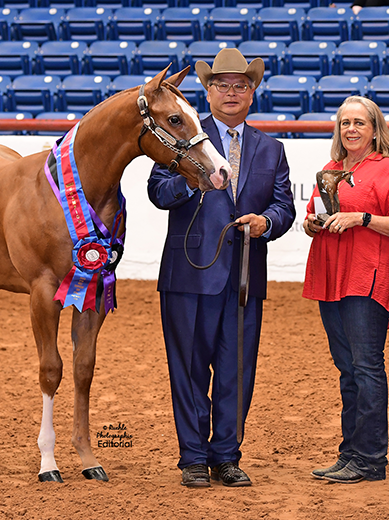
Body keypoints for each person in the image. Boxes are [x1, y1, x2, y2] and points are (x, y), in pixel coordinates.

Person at [147, 48, 295, 489]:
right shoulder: (182, 134)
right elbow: (158, 192)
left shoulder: (272, 149)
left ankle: (226, 456)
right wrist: (193, 177)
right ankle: (193, 457)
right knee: (188, 368)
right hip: (189, 271)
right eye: (222, 85)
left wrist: (266, 221)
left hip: (245, 274)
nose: (232, 93)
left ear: (253, 93)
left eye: (241, 85)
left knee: (237, 369)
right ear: (207, 91)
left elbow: (283, 206)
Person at [302, 96, 389, 484]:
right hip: (331, 277)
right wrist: (313, 225)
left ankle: (370, 459)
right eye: (344, 123)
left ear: (375, 129)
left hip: (366, 279)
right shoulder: (329, 170)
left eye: (359, 123)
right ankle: (350, 452)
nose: (351, 129)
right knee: (347, 369)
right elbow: (313, 216)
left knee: (366, 369)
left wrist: (363, 218)